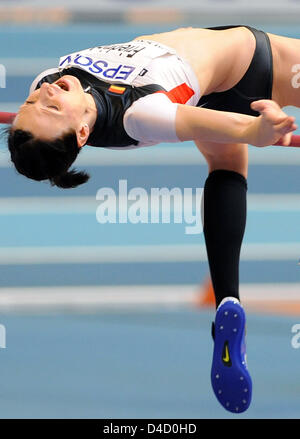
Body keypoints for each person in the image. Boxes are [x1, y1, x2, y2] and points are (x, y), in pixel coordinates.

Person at [5, 25, 300, 413]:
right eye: (52, 108)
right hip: (253, 64)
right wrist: (257, 129)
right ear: (81, 132)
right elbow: (236, 127)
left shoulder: (47, 80)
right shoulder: (142, 114)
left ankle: (228, 299)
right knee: (232, 149)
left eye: (30, 104)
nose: (44, 94)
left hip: (207, 91)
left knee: (226, 163)